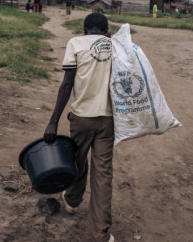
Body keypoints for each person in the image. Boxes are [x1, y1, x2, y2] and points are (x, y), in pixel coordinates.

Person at [44, 13, 115, 242]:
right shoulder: (114, 45)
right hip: (107, 119)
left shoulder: (75, 43)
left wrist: (53, 120)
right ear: (106, 31)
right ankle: (100, 232)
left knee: (78, 161)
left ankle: (72, 201)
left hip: (82, 118)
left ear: (85, 29)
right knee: (102, 175)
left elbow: (66, 85)